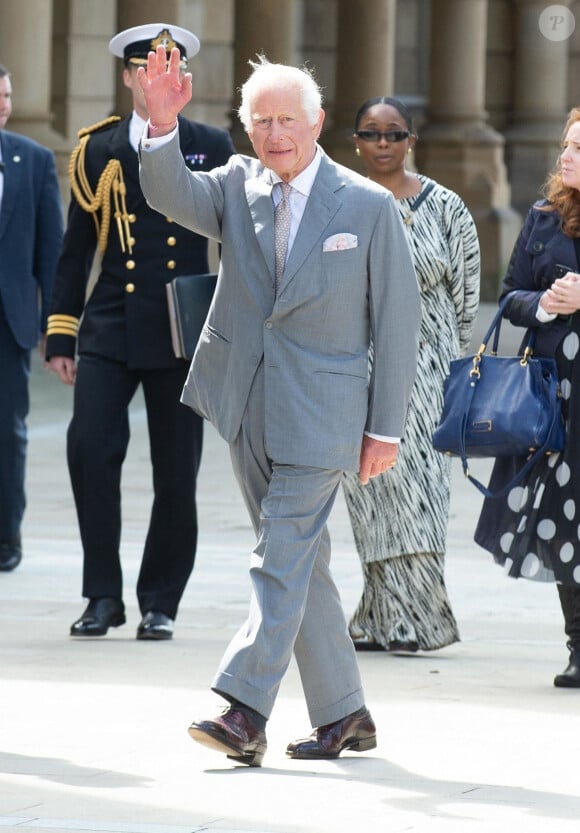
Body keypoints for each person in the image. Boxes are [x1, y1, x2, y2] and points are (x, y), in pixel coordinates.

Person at [137, 48, 421, 766]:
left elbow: (397, 322)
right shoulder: (236, 184)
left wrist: (384, 427)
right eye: (259, 120)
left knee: (278, 556)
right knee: (302, 564)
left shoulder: (365, 203)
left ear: (318, 121)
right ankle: (345, 713)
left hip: (325, 414)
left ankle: (244, 710)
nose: (274, 133)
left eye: (287, 119)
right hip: (247, 402)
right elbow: (170, 194)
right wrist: (161, 123)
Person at [45, 24, 235, 640]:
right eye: (144, 68)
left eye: (169, 68)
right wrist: (61, 333)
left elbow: (240, 242)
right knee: (89, 453)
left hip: (183, 330)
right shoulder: (96, 149)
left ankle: (160, 600)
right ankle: (103, 595)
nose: (156, 79)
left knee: (175, 472)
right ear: (129, 77)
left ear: (181, 81)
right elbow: (77, 250)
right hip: (109, 326)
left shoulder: (211, 143)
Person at [342, 97, 480, 653]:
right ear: (355, 141)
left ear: (411, 140)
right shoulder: (343, 203)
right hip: (359, 366)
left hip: (427, 371)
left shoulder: (446, 207)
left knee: (420, 492)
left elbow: (467, 296)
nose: (382, 144)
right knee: (371, 489)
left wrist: (440, 356)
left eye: (393, 134)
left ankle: (420, 620)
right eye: (371, 134)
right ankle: (379, 616)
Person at [474, 106, 580, 688]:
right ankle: (578, 646)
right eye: (567, 145)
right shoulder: (543, 218)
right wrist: (545, 306)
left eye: (579, 148)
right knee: (565, 518)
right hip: (554, 395)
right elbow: (511, 294)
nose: (566, 156)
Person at [0, 64, 64, 572]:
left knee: (7, 433)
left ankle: (6, 536)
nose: (4, 105)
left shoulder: (34, 160)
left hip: (9, 321)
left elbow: (51, 252)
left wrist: (55, 326)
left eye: (7, 95)